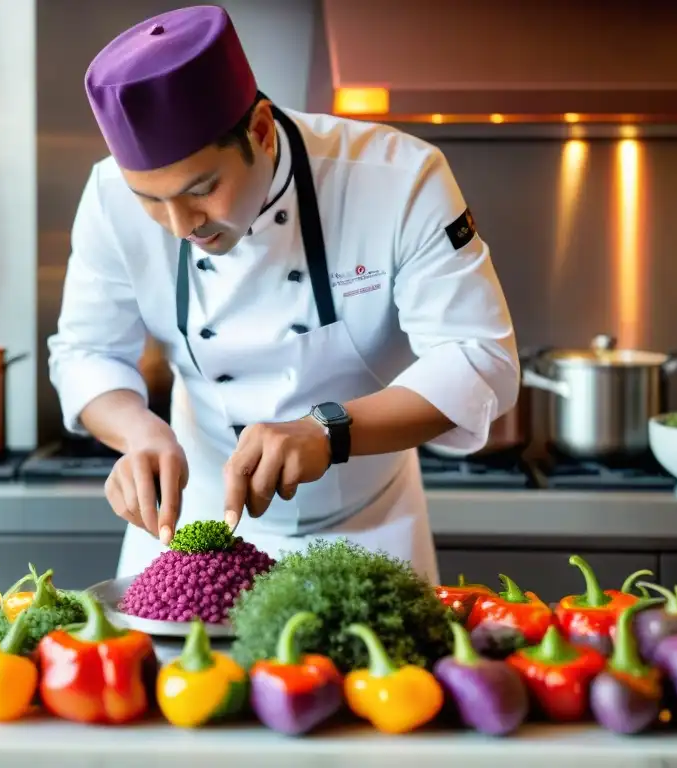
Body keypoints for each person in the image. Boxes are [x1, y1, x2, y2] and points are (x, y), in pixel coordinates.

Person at [47, 5, 519, 585]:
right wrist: (140, 433)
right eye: (151, 199)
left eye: (203, 189)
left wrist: (328, 430)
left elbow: (478, 359)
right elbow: (85, 353)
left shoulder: (398, 178)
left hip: (367, 525)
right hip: (195, 525)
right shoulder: (108, 196)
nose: (178, 225)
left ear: (261, 131)